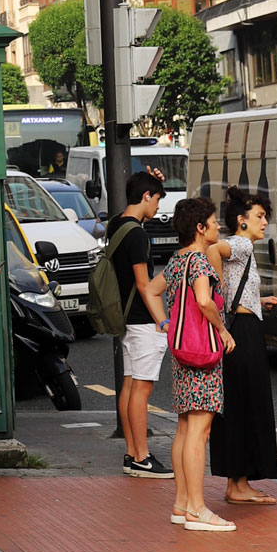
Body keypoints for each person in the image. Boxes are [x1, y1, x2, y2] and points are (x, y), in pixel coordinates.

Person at [145, 196, 236, 531]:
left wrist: (166, 324)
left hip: (182, 353)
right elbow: (203, 300)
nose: (217, 226)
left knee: (184, 428)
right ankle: (198, 509)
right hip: (203, 355)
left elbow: (151, 291)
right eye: (212, 222)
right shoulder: (199, 263)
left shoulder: (176, 261)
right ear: (200, 228)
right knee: (200, 430)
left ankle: (182, 503)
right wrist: (222, 328)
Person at [207, 187, 277, 505]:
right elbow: (212, 252)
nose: (265, 223)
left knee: (242, 404)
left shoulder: (244, 248)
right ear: (242, 220)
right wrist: (218, 292)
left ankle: (238, 481)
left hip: (245, 325)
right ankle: (238, 484)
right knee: (246, 404)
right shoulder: (239, 244)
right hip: (242, 332)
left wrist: (258, 300)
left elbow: (238, 290)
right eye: (260, 217)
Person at [109, 171, 174, 479]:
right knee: (141, 390)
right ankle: (143, 457)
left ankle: (133, 454)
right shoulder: (137, 235)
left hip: (126, 319)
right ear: (147, 196)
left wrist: (147, 177)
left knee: (130, 384)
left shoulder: (118, 226)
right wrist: (162, 320)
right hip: (142, 321)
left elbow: (136, 222)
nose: (159, 206)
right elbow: (144, 283)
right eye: (157, 198)